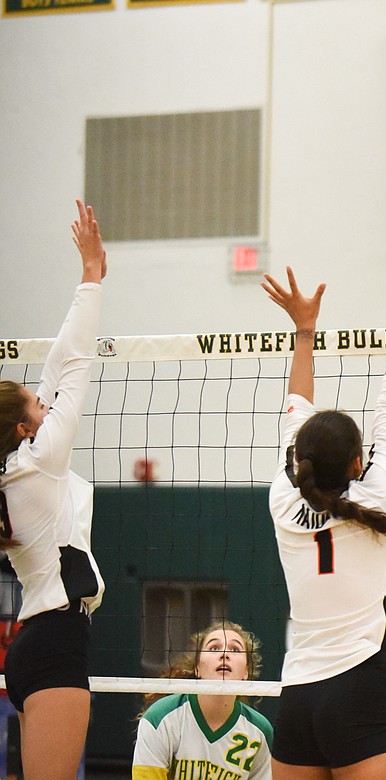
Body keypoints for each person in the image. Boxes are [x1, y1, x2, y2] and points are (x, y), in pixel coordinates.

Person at [263, 253, 386, 779]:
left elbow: (297, 407)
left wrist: (304, 332)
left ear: (300, 461)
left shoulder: (283, 495)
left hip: (297, 692)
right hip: (359, 685)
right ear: (356, 463)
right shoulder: (376, 496)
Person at [0, 200, 107, 780]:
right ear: (24, 428)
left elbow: (58, 364)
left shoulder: (21, 465)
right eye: (38, 407)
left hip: (40, 641)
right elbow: (78, 366)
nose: (47, 403)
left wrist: (87, 280)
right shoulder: (39, 463)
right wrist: (91, 279)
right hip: (55, 643)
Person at [133, 620, 273, 780]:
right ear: (197, 668)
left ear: (246, 672)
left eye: (235, 649)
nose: (224, 654)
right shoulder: (160, 719)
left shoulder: (260, 732)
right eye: (214, 648)